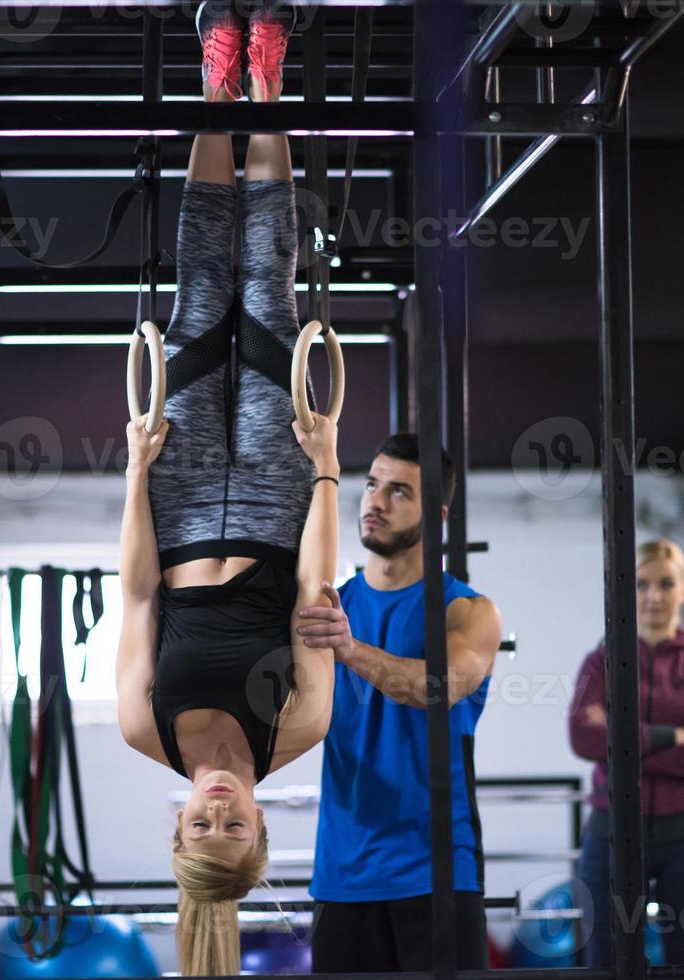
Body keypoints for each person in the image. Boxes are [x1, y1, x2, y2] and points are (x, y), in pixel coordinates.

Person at [115, 3, 338, 973]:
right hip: (273, 503)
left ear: (177, 824)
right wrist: (328, 460)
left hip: (174, 500)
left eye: (198, 826)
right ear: (259, 826)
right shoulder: (301, 721)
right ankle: (269, 84)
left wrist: (133, 471)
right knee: (268, 287)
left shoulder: (140, 722)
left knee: (201, 289)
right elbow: (310, 597)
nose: (214, 809)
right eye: (231, 829)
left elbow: (135, 594)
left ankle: (217, 85)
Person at [292, 434, 504, 972]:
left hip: (436, 875)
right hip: (342, 875)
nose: (376, 502)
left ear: (435, 514)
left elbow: (437, 688)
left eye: (399, 492)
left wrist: (349, 648)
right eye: (371, 485)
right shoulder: (329, 609)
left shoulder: (469, 612)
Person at [569, 539, 684, 969]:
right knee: (607, 966)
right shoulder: (600, 662)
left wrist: (619, 747)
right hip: (611, 835)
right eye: (641, 584)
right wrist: (671, 736)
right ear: (626, 590)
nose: (653, 595)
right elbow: (583, 740)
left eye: (665, 583)